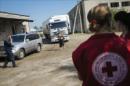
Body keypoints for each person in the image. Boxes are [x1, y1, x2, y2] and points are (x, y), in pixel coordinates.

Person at [72, 5, 130, 86]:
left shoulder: (81, 50)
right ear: (110, 20)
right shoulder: (126, 45)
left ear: (93, 23)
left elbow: (81, 77)